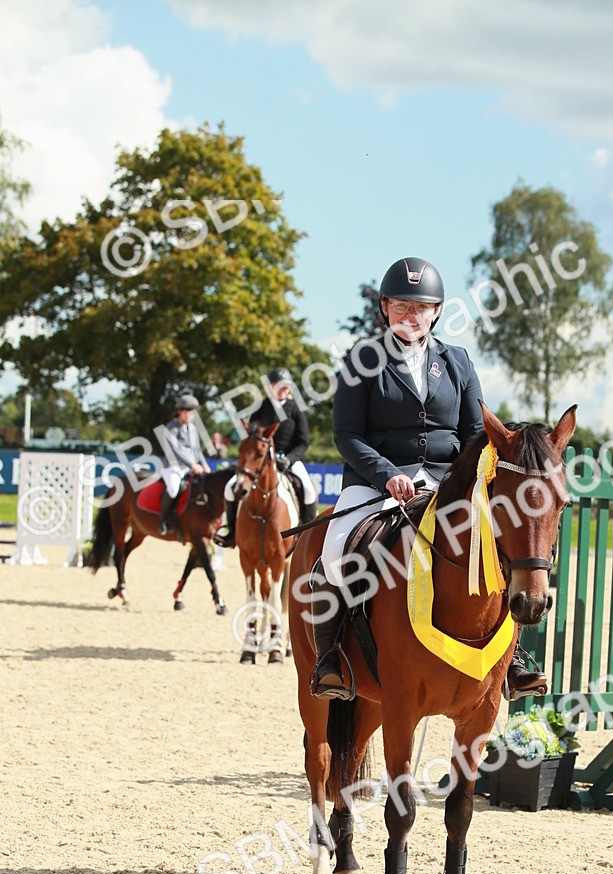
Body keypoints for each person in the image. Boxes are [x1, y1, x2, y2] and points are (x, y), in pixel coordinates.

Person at [309, 255, 546, 701]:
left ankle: (510, 658)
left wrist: (469, 480)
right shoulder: (361, 359)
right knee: (336, 548)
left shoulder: (456, 361)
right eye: (400, 305)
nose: (409, 315)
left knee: (499, 544)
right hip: (373, 480)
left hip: (445, 482)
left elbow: (475, 433)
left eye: (419, 307)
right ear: (384, 307)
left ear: (436, 311)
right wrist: (387, 476)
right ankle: (331, 658)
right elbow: (346, 435)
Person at [215, 367, 317, 548]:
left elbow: (303, 442)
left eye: (286, 386)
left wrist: (289, 458)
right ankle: (231, 533)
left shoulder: (296, 410)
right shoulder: (262, 408)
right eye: (279, 386)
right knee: (230, 488)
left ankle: (305, 535)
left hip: (288, 460)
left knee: (309, 490)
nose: (284, 389)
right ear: (270, 387)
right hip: (261, 463)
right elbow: (250, 439)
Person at [159, 393, 210, 535]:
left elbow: (197, 450)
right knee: (174, 489)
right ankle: (162, 521)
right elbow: (174, 450)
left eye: (193, 412)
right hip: (173, 467)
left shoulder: (193, 429)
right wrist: (192, 464)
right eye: (189, 411)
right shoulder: (171, 427)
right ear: (180, 412)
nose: (191, 415)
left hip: (190, 467)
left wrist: (204, 464)